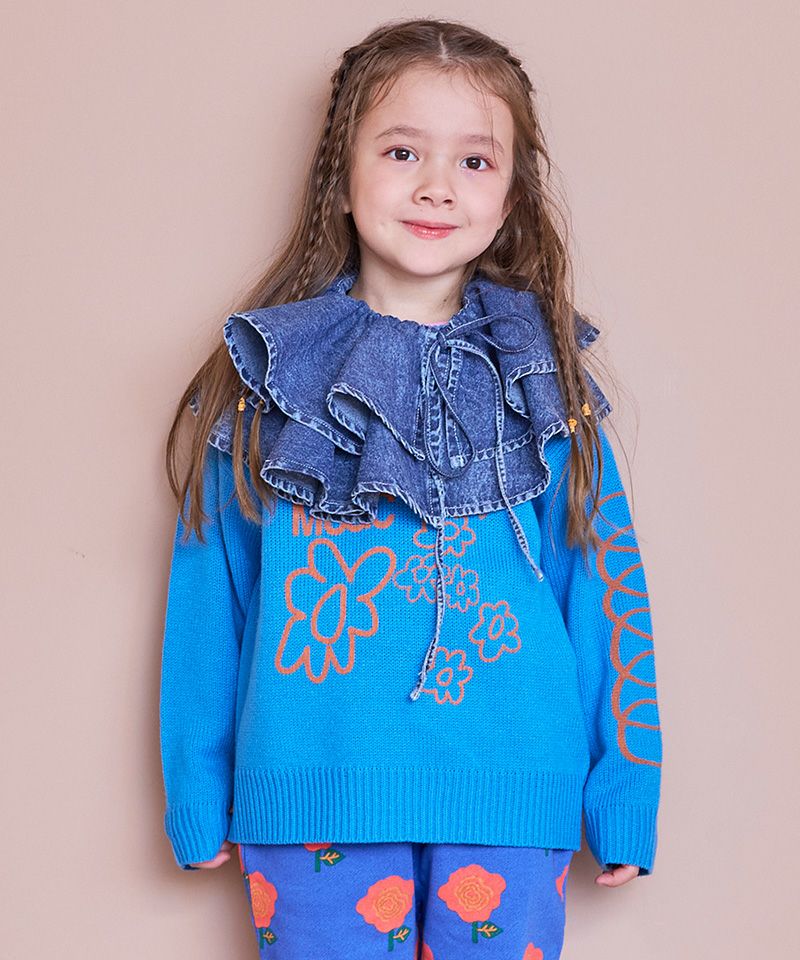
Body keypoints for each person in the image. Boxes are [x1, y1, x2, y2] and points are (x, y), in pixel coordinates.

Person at [159, 17, 664, 960]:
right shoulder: (266, 376)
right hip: (311, 792)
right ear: (340, 176)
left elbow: (606, 591)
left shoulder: (543, 378)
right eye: (401, 152)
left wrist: (625, 794)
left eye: (475, 161)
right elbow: (209, 595)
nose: (437, 186)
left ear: (511, 195)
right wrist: (196, 788)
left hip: (513, 794)